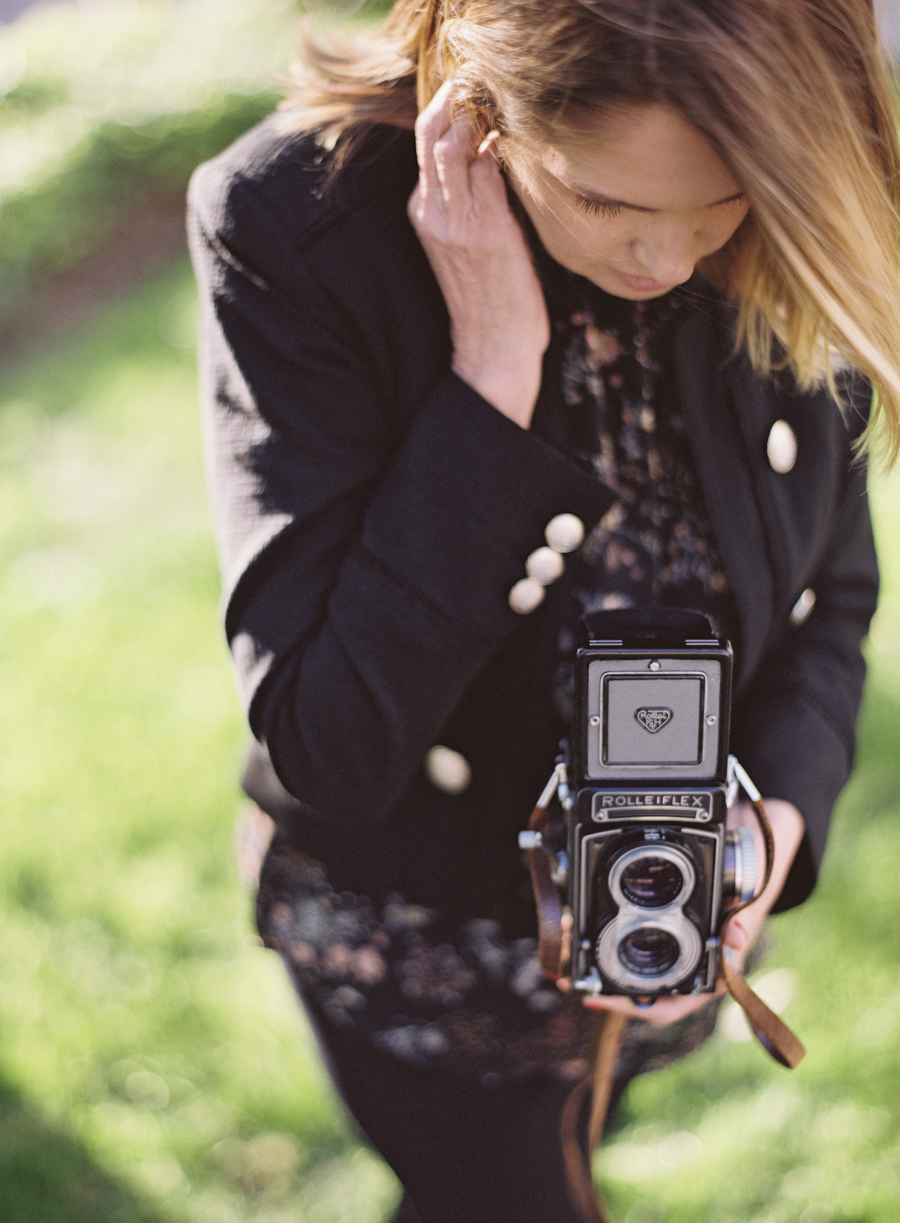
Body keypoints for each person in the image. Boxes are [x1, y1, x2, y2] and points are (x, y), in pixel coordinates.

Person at [188, 1, 900, 1219]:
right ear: (478, 100)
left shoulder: (793, 204)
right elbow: (327, 741)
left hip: (670, 921)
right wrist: (491, 379)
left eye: (716, 204)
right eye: (607, 205)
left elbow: (829, 599)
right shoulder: (295, 224)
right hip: (421, 951)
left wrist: (769, 830)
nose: (665, 262)